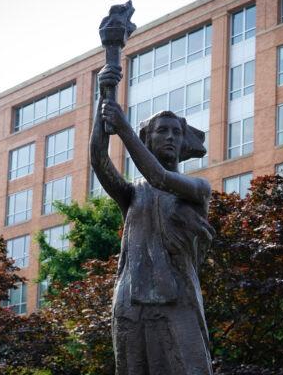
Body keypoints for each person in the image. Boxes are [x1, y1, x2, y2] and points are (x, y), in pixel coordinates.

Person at [90, 64, 214, 374]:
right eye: (162, 130)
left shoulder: (198, 189)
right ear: (149, 138)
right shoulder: (132, 194)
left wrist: (124, 128)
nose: (171, 136)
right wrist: (105, 93)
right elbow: (99, 159)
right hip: (131, 304)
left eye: (176, 132)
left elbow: (158, 176)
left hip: (178, 301)